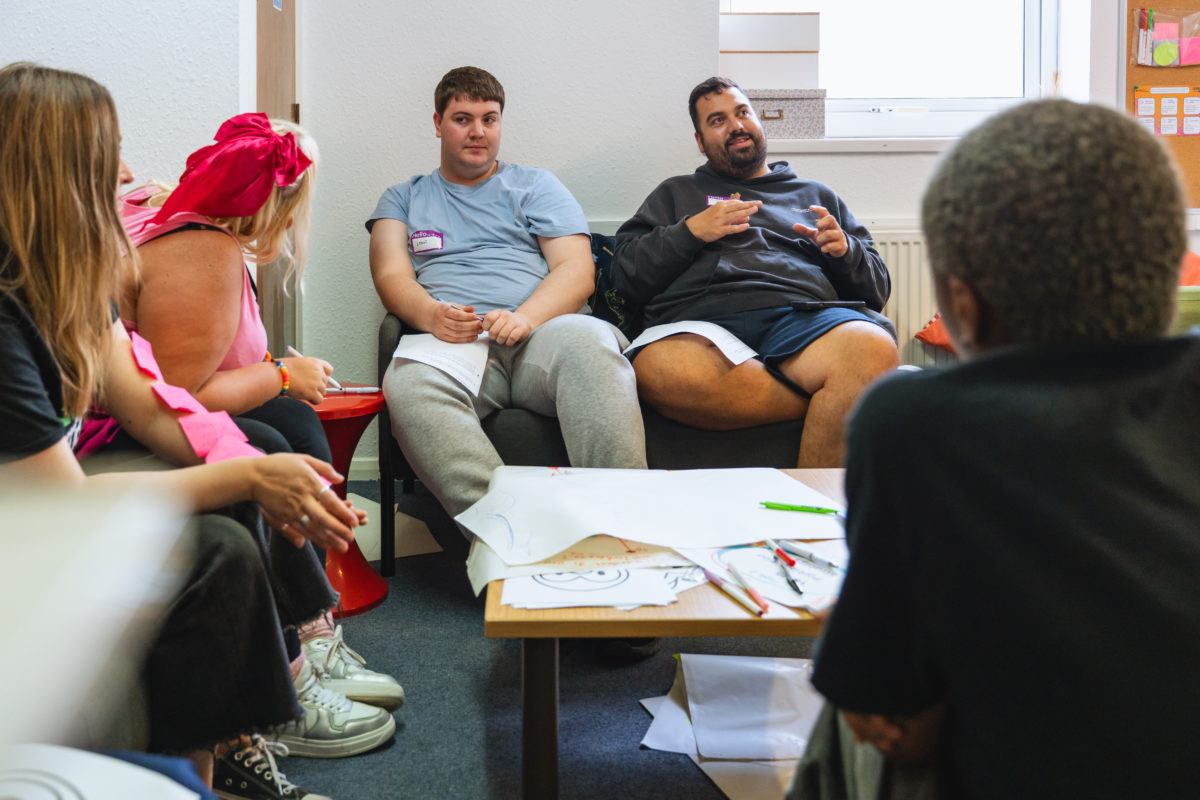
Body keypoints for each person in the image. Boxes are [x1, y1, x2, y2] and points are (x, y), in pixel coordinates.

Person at [0, 62, 387, 799]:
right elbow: (59, 503)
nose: (128, 170)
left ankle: (233, 748)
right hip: (28, 515)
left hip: (48, 488)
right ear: (57, 172)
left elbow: (153, 406)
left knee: (254, 460)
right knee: (215, 543)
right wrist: (247, 474)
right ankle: (219, 756)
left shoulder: (70, 284)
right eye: (107, 152)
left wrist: (259, 471)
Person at [798, 99, 1200, 799]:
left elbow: (888, 707)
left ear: (964, 304)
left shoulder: (909, 423)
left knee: (847, 707)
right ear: (1169, 276)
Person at [112, 115, 406, 717]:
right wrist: (278, 375)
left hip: (150, 405)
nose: (124, 170)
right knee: (272, 438)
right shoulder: (203, 248)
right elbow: (178, 393)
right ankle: (294, 656)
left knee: (293, 424)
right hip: (133, 421)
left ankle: (313, 624)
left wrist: (278, 377)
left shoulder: (193, 229)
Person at [367, 66, 646, 521]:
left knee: (592, 346)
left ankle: (626, 523)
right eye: (462, 118)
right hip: (455, 341)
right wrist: (433, 315)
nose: (478, 132)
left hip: (542, 333)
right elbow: (391, 276)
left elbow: (577, 270)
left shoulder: (536, 185)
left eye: (489, 119)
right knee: (408, 382)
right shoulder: (403, 198)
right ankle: (508, 530)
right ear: (437, 123)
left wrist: (526, 318)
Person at [610, 76, 899, 467]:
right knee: (654, 369)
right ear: (700, 141)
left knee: (872, 346)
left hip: (802, 319)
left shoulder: (815, 194)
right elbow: (624, 277)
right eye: (717, 120)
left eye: (742, 112)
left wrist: (844, 251)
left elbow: (878, 289)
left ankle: (807, 519)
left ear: (758, 121)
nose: (736, 125)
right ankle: (825, 397)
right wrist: (692, 231)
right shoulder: (674, 193)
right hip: (700, 326)